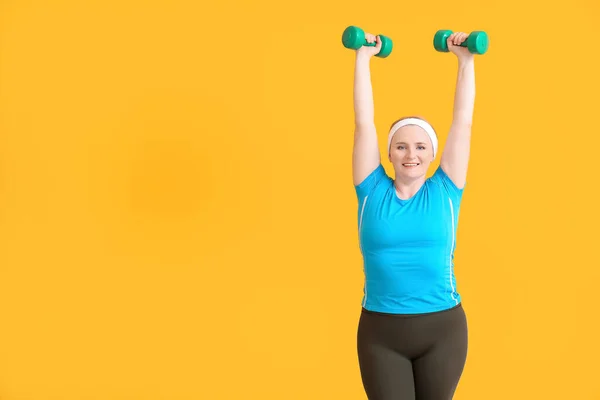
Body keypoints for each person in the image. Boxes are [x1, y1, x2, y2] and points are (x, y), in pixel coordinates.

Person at [352, 31, 476, 400]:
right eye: (401, 146)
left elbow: (463, 122)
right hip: (380, 332)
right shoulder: (370, 191)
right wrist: (362, 58)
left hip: (443, 330)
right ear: (388, 152)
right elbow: (364, 123)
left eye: (421, 146)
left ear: (433, 153)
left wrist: (465, 61)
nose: (411, 154)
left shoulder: (446, 190)